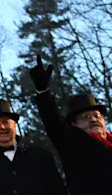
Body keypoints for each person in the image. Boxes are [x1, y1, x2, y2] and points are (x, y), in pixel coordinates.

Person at [30, 55, 112, 195]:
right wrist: (43, 91)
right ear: (74, 124)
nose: (93, 119)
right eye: (86, 117)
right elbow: (53, 121)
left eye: (97, 116)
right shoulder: (74, 142)